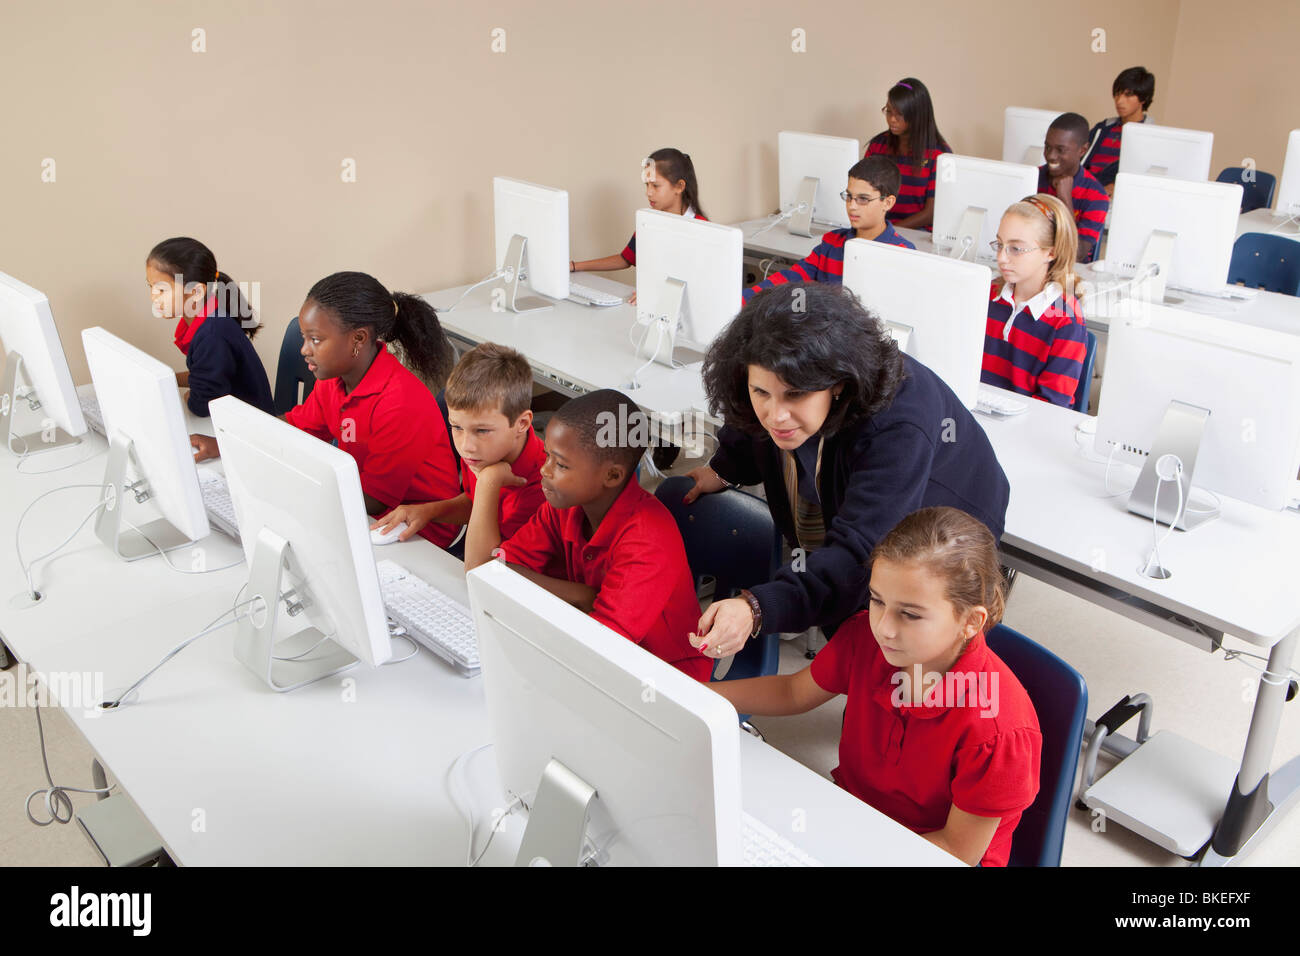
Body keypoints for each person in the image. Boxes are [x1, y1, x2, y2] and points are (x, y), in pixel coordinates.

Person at [682, 282, 1010, 657]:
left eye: (795, 394)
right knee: (854, 635)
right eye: (762, 393)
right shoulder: (779, 391)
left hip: (948, 506)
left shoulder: (898, 425)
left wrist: (757, 609)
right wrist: (723, 469)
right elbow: (749, 424)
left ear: (837, 384)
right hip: (871, 495)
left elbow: (859, 556)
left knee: (900, 628)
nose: (776, 415)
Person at [708, 506, 1041, 867]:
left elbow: (956, 851)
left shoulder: (998, 731)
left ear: (970, 622)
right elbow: (793, 692)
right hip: (853, 823)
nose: (884, 627)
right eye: (877, 601)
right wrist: (696, 694)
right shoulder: (865, 640)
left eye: (910, 614)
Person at [192, 271, 461, 548]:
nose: (304, 350)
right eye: (304, 338)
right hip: (363, 509)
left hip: (418, 533)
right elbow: (296, 427)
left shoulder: (400, 402)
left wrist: (289, 488)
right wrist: (227, 442)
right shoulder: (334, 380)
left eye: (316, 340)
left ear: (358, 339)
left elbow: (375, 498)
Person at [464, 389, 710, 681]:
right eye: (547, 456)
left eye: (562, 464)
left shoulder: (648, 540)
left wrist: (572, 600)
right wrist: (581, 596)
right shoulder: (565, 505)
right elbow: (491, 570)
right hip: (592, 648)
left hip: (665, 678)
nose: (544, 470)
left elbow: (602, 647)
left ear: (613, 476)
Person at [371, 342, 545, 544]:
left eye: (482, 430)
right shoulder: (483, 451)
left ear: (522, 423)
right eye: (457, 427)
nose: (465, 445)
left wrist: (489, 481)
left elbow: (484, 566)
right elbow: (475, 502)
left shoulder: (541, 490)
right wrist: (426, 511)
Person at [744, 156, 915, 301]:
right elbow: (788, 279)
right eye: (849, 196)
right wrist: (741, 301)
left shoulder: (902, 254)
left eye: (863, 199)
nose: (852, 206)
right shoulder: (832, 243)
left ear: (888, 202)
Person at [980, 195, 1089, 407]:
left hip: (1025, 427)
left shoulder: (1065, 319)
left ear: (1051, 252)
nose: (1001, 257)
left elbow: (1050, 406)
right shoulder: (986, 292)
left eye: (1016, 248)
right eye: (1000, 244)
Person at [146, 237, 272, 417]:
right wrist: (167, 380)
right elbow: (202, 374)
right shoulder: (206, 318)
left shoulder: (212, 334)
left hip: (249, 429)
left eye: (161, 290)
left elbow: (202, 405)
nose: (153, 296)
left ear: (196, 292)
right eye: (150, 287)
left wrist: (190, 396)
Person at [570, 147, 708, 295]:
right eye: (647, 185)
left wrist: (654, 292)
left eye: (655, 186)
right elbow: (625, 259)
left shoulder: (702, 229)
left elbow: (699, 283)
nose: (648, 193)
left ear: (679, 186)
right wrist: (575, 266)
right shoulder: (648, 222)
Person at [863, 78, 951, 230]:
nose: (892, 119)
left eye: (900, 114)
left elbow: (931, 212)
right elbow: (863, 192)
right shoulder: (878, 145)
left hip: (919, 233)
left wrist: (890, 231)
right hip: (880, 229)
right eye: (889, 111)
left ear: (917, 115)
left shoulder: (940, 155)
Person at [1037, 113, 1109, 263]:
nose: (1051, 156)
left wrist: (1064, 198)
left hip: (1070, 276)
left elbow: (1077, 254)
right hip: (1035, 265)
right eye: (1047, 147)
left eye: (1060, 150)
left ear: (1082, 150)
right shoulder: (1033, 178)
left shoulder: (1096, 195)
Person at [1083, 66, 1155, 195]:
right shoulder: (1103, 128)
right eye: (1117, 94)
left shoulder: (1150, 136)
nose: (1119, 101)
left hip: (1114, 197)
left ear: (1143, 98)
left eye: (1128, 95)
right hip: (1084, 190)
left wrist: (1116, 186)